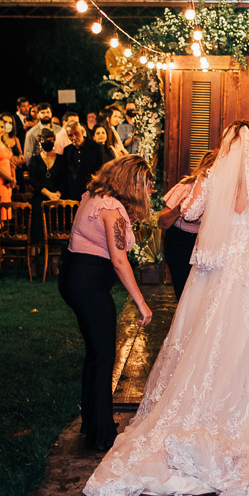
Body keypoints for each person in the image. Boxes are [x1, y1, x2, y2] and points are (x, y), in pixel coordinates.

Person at [84, 122, 249, 496]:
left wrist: (203, 195)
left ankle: (212, 391)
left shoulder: (214, 173)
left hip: (223, 259)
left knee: (216, 326)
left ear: (227, 144)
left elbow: (192, 211)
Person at [60, 156, 154, 453]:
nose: (151, 190)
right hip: (89, 285)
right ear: (132, 183)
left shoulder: (94, 197)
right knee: (103, 356)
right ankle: (102, 434)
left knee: (95, 354)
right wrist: (142, 304)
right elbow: (119, 261)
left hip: (75, 278)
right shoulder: (111, 211)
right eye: (147, 184)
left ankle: (92, 423)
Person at [158, 150, 216, 300]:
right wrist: (180, 207)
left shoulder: (223, 195)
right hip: (180, 242)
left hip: (207, 243)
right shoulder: (185, 187)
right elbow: (162, 223)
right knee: (184, 292)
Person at [28, 128, 64, 247]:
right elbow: (33, 181)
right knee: (37, 215)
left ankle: (55, 253)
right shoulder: (35, 159)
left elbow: (64, 179)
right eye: (46, 140)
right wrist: (48, 194)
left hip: (57, 196)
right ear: (40, 142)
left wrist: (57, 193)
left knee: (58, 218)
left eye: (51, 140)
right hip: (41, 195)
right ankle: (36, 249)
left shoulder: (60, 159)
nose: (49, 143)